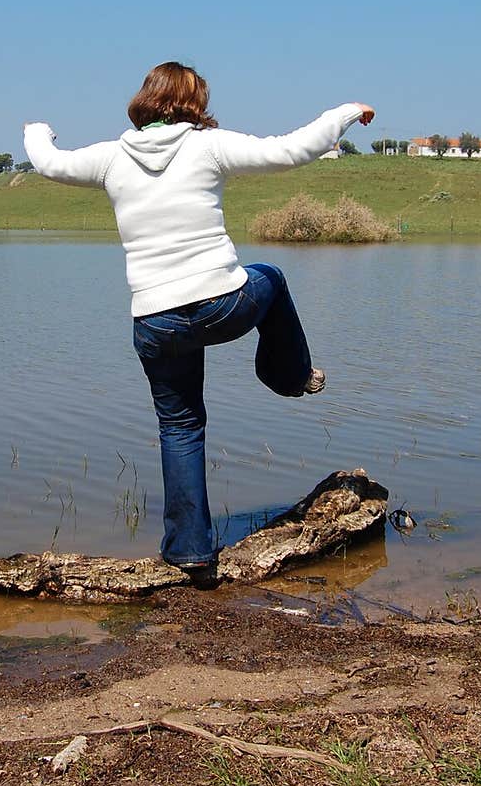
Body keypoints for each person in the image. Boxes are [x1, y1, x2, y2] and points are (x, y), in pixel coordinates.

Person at [23, 62, 375, 586]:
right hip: (223, 304)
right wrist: (347, 112)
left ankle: (190, 550)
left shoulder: (109, 157)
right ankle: (290, 377)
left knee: (180, 426)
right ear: (193, 102)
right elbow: (290, 149)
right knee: (272, 277)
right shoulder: (206, 145)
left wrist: (37, 129)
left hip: (156, 320)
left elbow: (49, 162)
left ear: (146, 99)